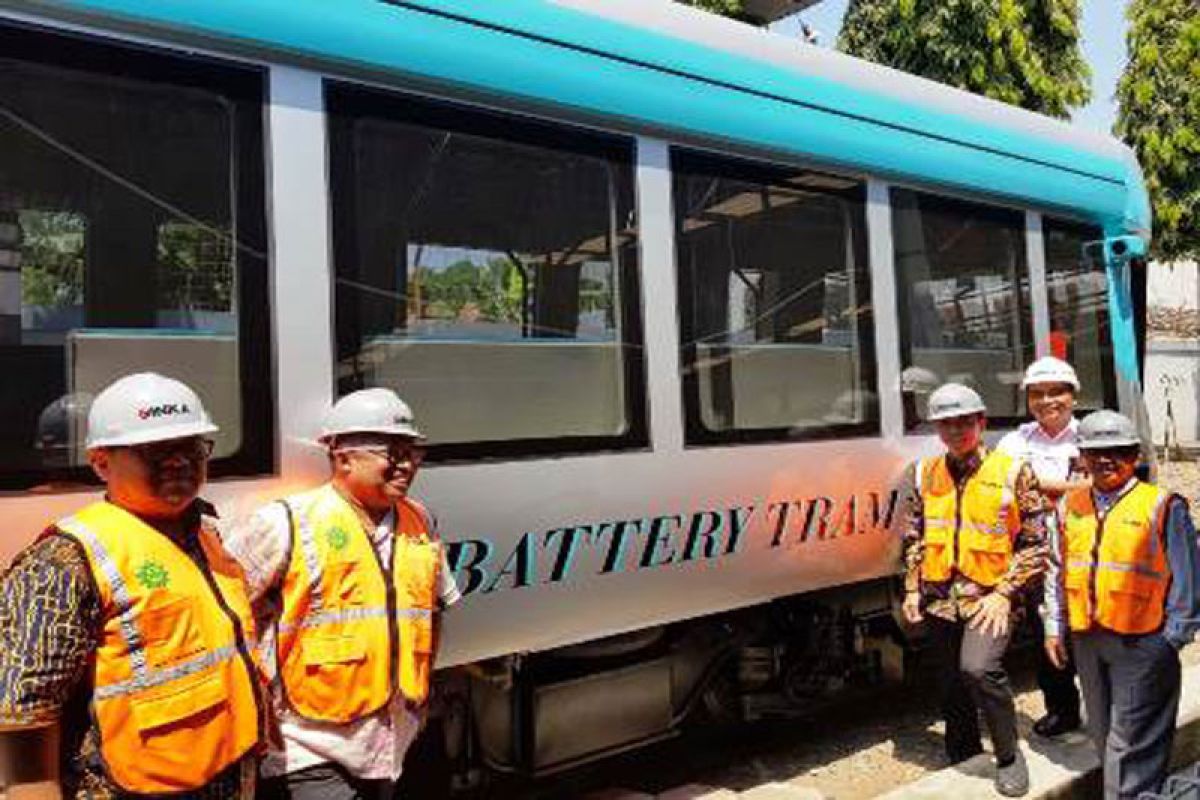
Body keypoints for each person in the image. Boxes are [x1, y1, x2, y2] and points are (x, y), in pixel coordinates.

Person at [0, 372, 263, 798]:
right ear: (101, 462)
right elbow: (24, 710)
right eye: (156, 451)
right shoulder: (64, 561)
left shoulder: (204, 534)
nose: (179, 462)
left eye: (192, 448)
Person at [225, 388, 460, 800]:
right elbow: (224, 612)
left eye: (413, 451)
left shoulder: (419, 519)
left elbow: (434, 607)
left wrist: (424, 691)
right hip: (309, 743)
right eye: (393, 452)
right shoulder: (287, 523)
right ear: (343, 456)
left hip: (394, 737)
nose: (407, 464)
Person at [901, 383, 1050, 798]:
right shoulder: (924, 472)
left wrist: (1005, 593)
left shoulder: (1013, 470)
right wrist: (913, 590)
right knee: (949, 680)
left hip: (991, 596)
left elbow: (1036, 543)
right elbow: (915, 536)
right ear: (936, 428)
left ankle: (1008, 756)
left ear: (981, 423)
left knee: (978, 669)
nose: (956, 431)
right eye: (947, 424)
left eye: (965, 422)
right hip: (939, 597)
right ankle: (962, 749)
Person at [1044, 410, 1200, 799]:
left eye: (1117, 450)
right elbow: (1056, 569)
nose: (1105, 459)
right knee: (1103, 735)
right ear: (1082, 457)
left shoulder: (1162, 505)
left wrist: (1172, 639)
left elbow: (1188, 577)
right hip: (1088, 639)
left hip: (1143, 642)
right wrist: (1054, 626)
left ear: (1134, 455)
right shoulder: (1070, 505)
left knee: (1128, 744)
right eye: (1095, 452)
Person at [996, 356, 1087, 737]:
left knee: (1091, 631)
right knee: (1045, 632)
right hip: (1034, 552)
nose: (1047, 400)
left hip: (1084, 551)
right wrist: (1076, 486)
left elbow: (1104, 484)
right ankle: (1062, 710)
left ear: (1073, 396)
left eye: (1056, 392)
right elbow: (1008, 488)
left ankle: (1107, 707)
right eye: (1037, 393)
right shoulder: (1015, 440)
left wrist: (1037, 485)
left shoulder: (1092, 435)